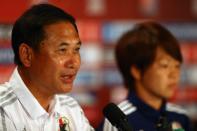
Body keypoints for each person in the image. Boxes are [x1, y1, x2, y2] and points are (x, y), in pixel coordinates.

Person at [0, 3, 94, 131]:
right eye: (62, 50)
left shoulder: (71, 109)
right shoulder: (3, 111)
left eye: (76, 49)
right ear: (27, 55)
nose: (74, 62)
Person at [99, 21, 193, 131]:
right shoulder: (116, 121)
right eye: (165, 65)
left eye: (177, 66)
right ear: (137, 71)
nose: (174, 75)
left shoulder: (181, 117)